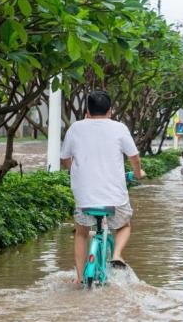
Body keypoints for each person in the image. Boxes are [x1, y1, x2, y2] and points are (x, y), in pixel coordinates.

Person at [60, 90, 145, 284]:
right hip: (115, 199)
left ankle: (80, 278)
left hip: (84, 197)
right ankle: (116, 254)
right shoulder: (119, 128)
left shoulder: (75, 128)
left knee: (81, 233)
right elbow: (134, 157)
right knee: (124, 225)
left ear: (87, 110)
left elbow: (65, 159)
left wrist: (75, 172)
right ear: (110, 110)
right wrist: (139, 174)